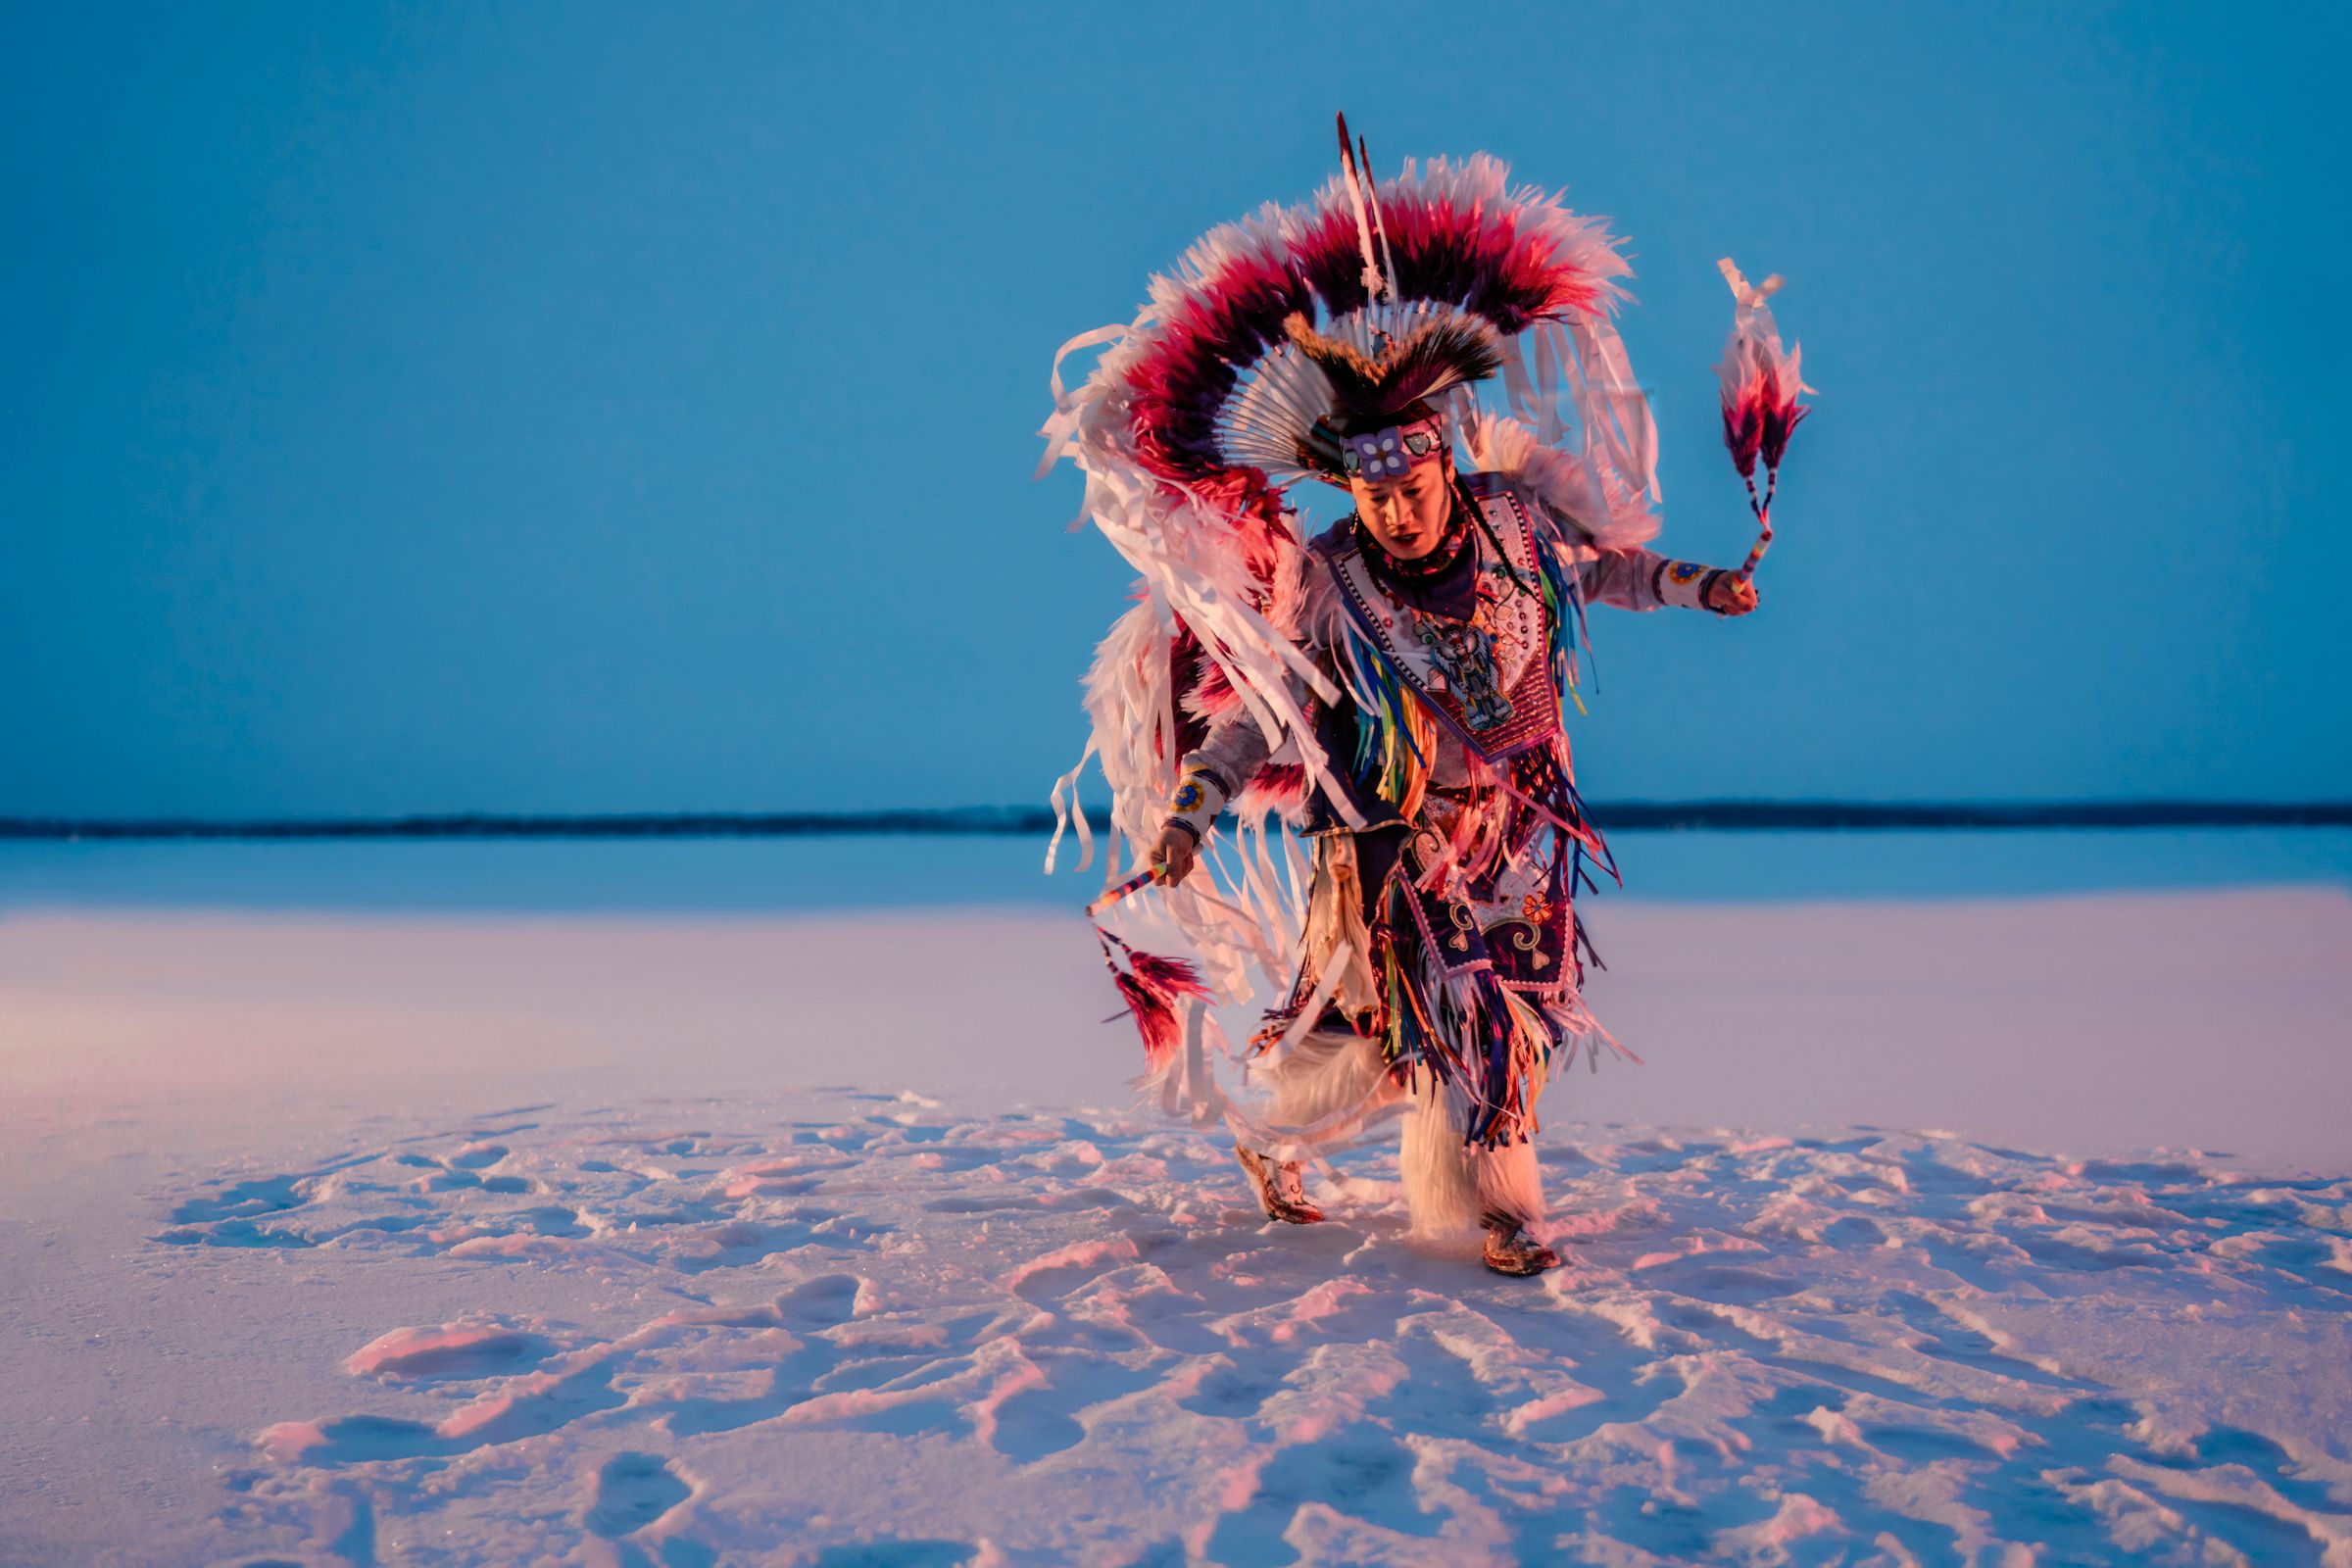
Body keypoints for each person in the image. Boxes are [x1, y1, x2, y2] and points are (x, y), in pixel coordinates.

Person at [1041, 140, 1756, 1276]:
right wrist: (1194, 804)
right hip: (1387, 847)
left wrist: (1697, 585)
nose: (1397, 514)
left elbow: (1604, 570)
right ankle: (1278, 1142)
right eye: (1373, 496)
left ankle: (1504, 1209)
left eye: (1412, 490)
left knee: (1504, 1013)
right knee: (1368, 1037)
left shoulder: (1519, 525)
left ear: (1445, 469)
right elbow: (1269, 711)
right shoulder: (1334, 579)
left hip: (1520, 828)